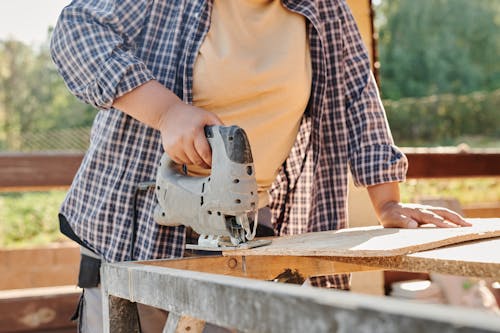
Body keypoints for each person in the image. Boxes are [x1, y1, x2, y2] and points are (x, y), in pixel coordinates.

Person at [50, 0, 469, 332]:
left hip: (247, 227)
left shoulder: (324, 9)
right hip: (136, 224)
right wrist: (166, 113)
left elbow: (356, 97)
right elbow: (77, 32)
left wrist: (388, 203)